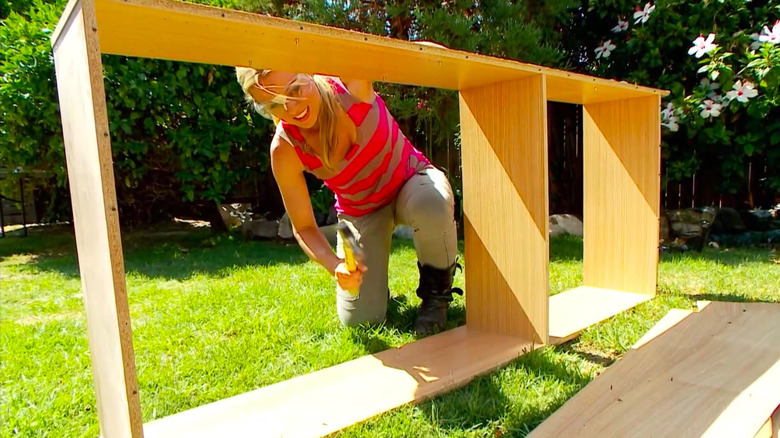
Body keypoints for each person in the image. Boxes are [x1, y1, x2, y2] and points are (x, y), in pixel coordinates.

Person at [235, 68, 461, 335]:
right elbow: (303, 227)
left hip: (411, 178)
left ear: (307, 70)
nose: (292, 108)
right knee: (359, 320)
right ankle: (376, 292)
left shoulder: (350, 84)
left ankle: (436, 298)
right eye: (274, 104)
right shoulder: (284, 149)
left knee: (432, 204)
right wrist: (336, 266)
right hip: (356, 214)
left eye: (295, 89)